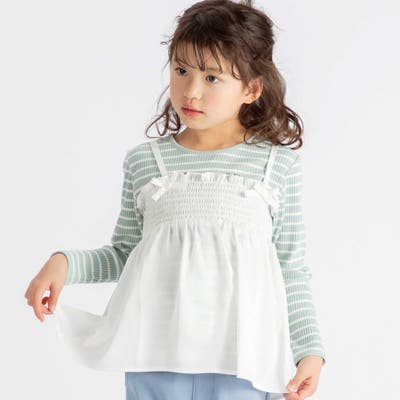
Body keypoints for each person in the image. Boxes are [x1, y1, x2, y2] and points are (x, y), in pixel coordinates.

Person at [24, 1, 327, 399]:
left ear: (252, 89)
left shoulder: (277, 167)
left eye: (212, 77)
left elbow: (291, 269)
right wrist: (64, 263)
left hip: (244, 363)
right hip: (156, 356)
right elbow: (125, 253)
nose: (192, 91)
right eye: (181, 70)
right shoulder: (145, 163)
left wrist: (309, 350)